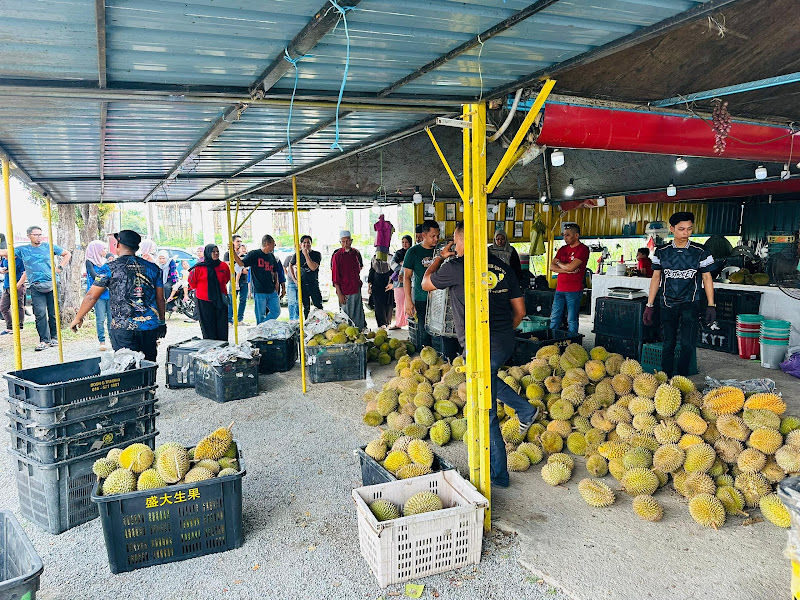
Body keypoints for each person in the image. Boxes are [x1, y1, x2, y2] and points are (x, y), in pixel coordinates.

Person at [421, 221, 536, 488]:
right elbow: (519, 311)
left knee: (487, 411)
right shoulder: (504, 268)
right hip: (505, 341)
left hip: (481, 344)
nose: (455, 245)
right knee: (488, 389)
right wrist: (503, 332)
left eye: (455, 241)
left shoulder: (456, 267)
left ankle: (500, 472)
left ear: (462, 242)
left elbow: (426, 282)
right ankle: (521, 416)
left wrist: (440, 256)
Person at [69, 230, 165, 361]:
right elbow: (160, 298)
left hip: (123, 328)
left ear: (118, 245)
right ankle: (150, 382)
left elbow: (91, 296)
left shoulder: (109, 268)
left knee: (127, 367)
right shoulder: (153, 268)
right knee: (149, 365)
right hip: (149, 326)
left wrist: (78, 317)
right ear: (137, 247)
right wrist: (162, 322)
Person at [644, 212, 715, 377]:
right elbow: (656, 278)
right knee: (668, 343)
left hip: (691, 303)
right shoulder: (661, 251)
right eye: (681, 229)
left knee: (687, 343)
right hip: (667, 303)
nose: (686, 233)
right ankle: (665, 376)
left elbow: (707, 278)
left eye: (689, 229)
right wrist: (649, 305)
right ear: (672, 229)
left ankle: (682, 377)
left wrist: (711, 305)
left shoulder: (701, 251)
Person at [0, 225, 71, 351]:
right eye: (35, 235)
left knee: (53, 312)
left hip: (52, 284)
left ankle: (54, 337)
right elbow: (6, 252)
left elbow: (67, 254)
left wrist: (60, 267)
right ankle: (44, 340)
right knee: (40, 313)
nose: (39, 237)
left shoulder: (49, 246)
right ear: (29, 236)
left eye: (40, 234)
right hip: (35, 286)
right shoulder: (23, 250)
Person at [403, 220, 440, 342]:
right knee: (424, 333)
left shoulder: (441, 250)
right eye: (432, 236)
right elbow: (406, 277)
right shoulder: (413, 252)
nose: (436, 239)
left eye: (437, 236)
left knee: (440, 334)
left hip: (440, 300)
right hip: (422, 298)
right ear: (424, 235)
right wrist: (408, 300)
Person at [549, 224, 589, 335]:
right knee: (554, 317)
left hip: (574, 289)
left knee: (571, 319)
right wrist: (567, 270)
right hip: (560, 288)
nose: (565, 238)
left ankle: (572, 341)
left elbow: (572, 266)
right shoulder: (563, 249)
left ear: (576, 235)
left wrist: (559, 263)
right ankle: (552, 340)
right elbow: (551, 267)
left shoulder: (583, 249)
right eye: (564, 235)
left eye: (568, 235)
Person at [188, 244, 230, 341]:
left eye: (217, 251)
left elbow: (226, 279)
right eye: (213, 251)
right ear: (207, 253)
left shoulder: (223, 266)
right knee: (208, 326)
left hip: (220, 299)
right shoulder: (198, 268)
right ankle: (210, 347)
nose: (216, 253)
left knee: (222, 325)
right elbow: (192, 283)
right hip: (204, 301)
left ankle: (222, 346)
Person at [235, 234, 280, 323]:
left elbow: (275, 271)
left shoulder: (271, 256)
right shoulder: (254, 254)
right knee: (260, 315)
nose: (274, 246)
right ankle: (261, 329)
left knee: (276, 312)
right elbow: (241, 264)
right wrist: (233, 254)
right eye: (273, 244)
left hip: (271, 290)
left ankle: (261, 327)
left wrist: (276, 283)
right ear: (267, 244)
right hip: (259, 290)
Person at [331, 230, 366, 329]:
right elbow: (335, 277)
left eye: (347, 241)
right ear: (340, 242)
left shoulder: (355, 253)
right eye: (343, 241)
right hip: (345, 292)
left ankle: (359, 336)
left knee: (358, 316)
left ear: (351, 241)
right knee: (346, 319)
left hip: (356, 289)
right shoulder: (337, 256)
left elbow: (358, 269)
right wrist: (339, 294)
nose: (346, 244)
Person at [85, 240, 112, 350]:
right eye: (103, 249)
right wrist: (107, 279)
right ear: (96, 250)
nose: (105, 251)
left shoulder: (106, 261)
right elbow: (94, 275)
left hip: (109, 293)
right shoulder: (89, 261)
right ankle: (102, 341)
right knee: (100, 318)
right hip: (98, 294)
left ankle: (113, 340)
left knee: (111, 319)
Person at [289, 235, 323, 318]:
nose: (306, 244)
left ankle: (320, 322)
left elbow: (313, 267)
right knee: (306, 307)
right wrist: (294, 279)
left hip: (313, 284)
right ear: (301, 244)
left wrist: (306, 255)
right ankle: (307, 324)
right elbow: (290, 265)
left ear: (311, 244)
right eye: (304, 242)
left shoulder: (316, 254)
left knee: (318, 306)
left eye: (308, 242)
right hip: (302, 285)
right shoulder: (297, 254)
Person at [389, 235, 412, 329]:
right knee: (399, 304)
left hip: (410, 282)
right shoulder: (398, 253)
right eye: (403, 242)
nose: (404, 244)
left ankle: (410, 324)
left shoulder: (412, 252)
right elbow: (392, 264)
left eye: (406, 242)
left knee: (409, 303)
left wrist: (404, 265)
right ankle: (399, 323)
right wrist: (404, 268)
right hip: (398, 283)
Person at [0, 254, 26, 334]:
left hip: (18, 285)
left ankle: (19, 326)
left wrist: (19, 284)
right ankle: (10, 327)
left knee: (19, 306)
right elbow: (1, 267)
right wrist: (2, 270)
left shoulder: (19, 260)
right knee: (3, 307)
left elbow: (25, 273)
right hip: (6, 286)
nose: (4, 257)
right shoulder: (4, 260)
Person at [368, 257, 393, 328]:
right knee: (378, 304)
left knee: (388, 304)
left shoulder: (390, 257)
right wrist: (369, 286)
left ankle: (387, 323)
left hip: (388, 284)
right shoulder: (374, 258)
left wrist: (392, 283)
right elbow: (371, 272)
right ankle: (382, 323)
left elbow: (393, 271)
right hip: (376, 285)